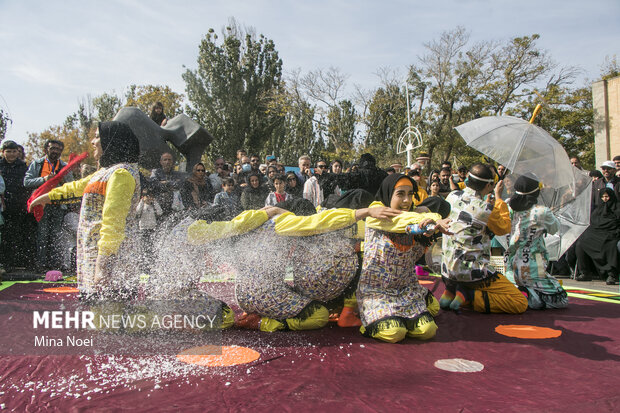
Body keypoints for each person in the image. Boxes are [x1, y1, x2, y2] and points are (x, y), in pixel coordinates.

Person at [188, 200, 405, 333]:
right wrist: (364, 212)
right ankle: (263, 322)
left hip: (252, 291)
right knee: (318, 316)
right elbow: (320, 222)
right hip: (261, 292)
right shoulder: (287, 224)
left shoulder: (261, 220)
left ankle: (264, 314)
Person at [29, 121, 141, 298]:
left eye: (97, 136)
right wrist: (47, 197)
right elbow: (78, 186)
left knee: (110, 315)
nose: (92, 142)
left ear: (111, 141)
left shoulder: (121, 175)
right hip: (94, 257)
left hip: (111, 260)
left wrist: (102, 266)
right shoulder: (105, 172)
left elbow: (113, 222)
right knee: (98, 315)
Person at [357, 174, 451, 343]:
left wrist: (428, 230)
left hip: (405, 289)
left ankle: (416, 303)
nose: (407, 200)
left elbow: (413, 227)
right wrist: (431, 220)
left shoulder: (416, 217)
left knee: (428, 330)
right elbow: (399, 222)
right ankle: (367, 322)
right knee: (394, 332)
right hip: (378, 292)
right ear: (388, 194)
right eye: (400, 194)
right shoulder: (376, 214)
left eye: (410, 194)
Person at [440, 163, 528, 314]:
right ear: (488, 185)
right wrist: (499, 199)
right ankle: (469, 296)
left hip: (447, 270)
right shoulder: (484, 208)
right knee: (520, 302)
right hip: (472, 273)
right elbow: (504, 228)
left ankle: (452, 290)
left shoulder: (452, 196)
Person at [504, 175, 567, 309]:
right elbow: (554, 228)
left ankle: (521, 291)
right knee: (561, 300)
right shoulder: (542, 212)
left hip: (511, 265)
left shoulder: (508, 207)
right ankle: (528, 295)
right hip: (533, 265)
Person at [24, 139, 73, 271]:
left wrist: (62, 181)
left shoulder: (64, 166)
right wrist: (44, 180)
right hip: (42, 204)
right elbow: (27, 182)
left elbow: (72, 185)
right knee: (42, 234)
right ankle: (41, 264)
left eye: (58, 149)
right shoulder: (37, 164)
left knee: (56, 234)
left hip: (58, 204)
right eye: (52, 148)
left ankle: (55, 264)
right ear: (46, 149)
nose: (55, 151)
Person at [0, 140, 35, 270]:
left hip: (18, 205)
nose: (11, 154)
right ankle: (3, 262)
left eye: (14, 151)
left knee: (16, 234)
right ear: (3, 152)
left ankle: (14, 263)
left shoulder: (23, 166)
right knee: (4, 235)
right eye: (8, 151)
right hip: (3, 205)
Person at [575, 188, 620, 284]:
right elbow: (593, 223)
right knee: (581, 243)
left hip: (611, 234)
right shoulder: (598, 209)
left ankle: (612, 274)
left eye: (607, 196)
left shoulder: (617, 208)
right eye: (603, 197)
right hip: (596, 233)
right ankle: (585, 272)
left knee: (611, 246)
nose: (605, 199)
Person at [150, 152, 185, 219]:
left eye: (169, 160)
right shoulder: (156, 172)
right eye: (165, 160)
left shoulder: (178, 174)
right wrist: (171, 183)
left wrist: (164, 182)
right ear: (161, 162)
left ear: (172, 162)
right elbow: (154, 184)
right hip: (159, 206)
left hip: (174, 206)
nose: (167, 162)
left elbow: (179, 184)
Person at [135, 189, 163, 273]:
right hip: (143, 229)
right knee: (144, 248)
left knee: (152, 248)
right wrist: (141, 202)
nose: (148, 198)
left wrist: (155, 202)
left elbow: (160, 212)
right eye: (146, 197)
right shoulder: (142, 205)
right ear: (143, 197)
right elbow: (137, 212)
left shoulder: (153, 205)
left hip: (153, 228)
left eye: (150, 196)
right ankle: (143, 267)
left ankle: (152, 265)